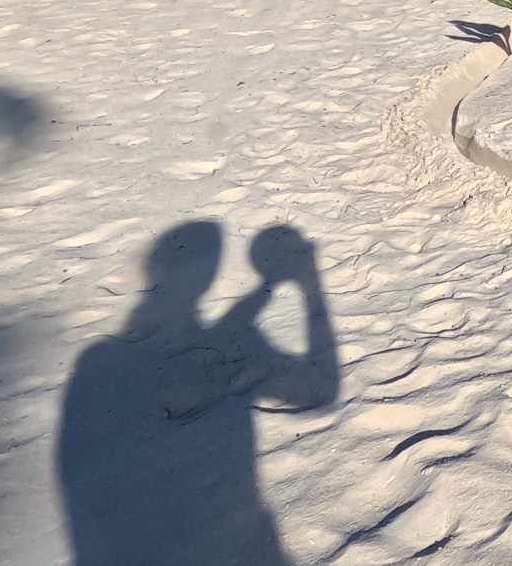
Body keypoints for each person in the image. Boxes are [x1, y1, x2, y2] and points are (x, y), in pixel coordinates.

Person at [57, 221, 338, 566]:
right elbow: (321, 390)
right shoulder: (103, 362)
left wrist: (264, 291)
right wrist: (310, 285)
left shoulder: (95, 362)